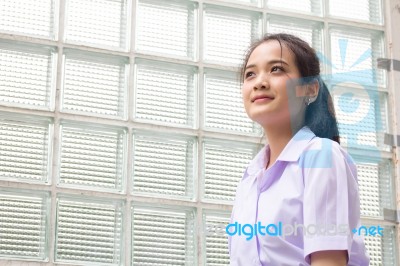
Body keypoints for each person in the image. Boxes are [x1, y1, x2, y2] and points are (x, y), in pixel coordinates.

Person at [228, 33, 370, 265]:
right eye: (250, 74)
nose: (259, 82)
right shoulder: (251, 176)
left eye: (276, 69)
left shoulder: (321, 156)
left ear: (310, 90)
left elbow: (328, 261)